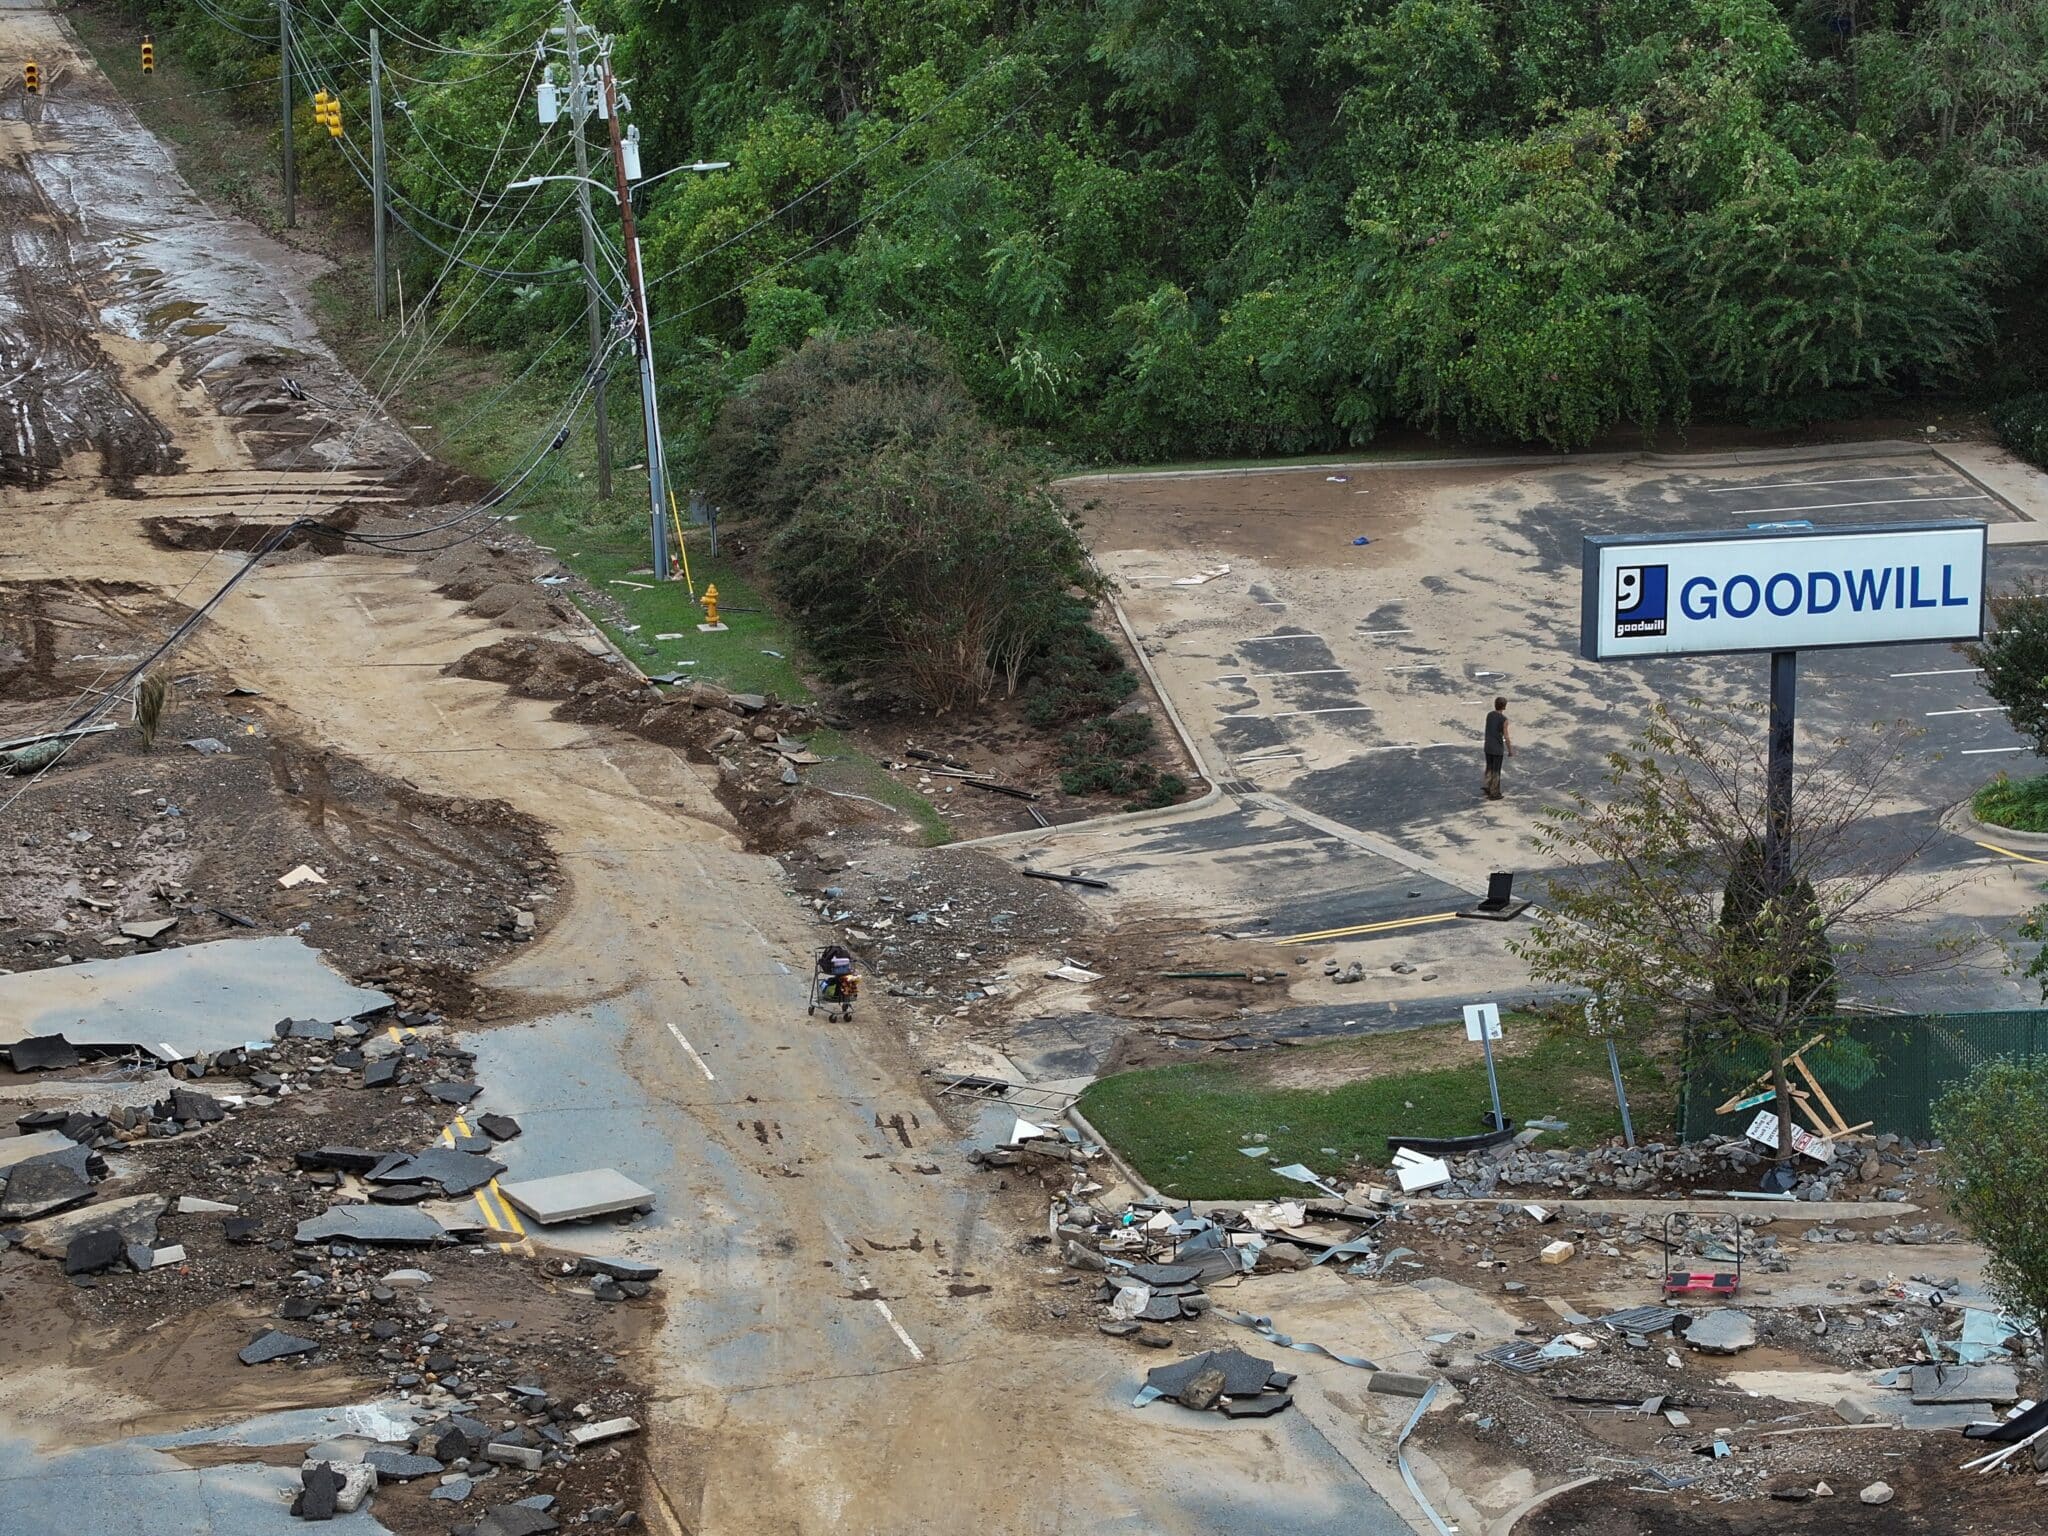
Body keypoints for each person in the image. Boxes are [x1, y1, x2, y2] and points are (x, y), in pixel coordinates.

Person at [1482, 695, 1513, 800]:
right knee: (1496, 770)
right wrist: (1510, 750)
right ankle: (1494, 792)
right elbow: (1506, 736)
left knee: (1489, 767)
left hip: (1488, 746)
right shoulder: (1504, 720)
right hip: (1497, 748)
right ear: (1504, 707)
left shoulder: (1489, 715)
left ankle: (1487, 786)